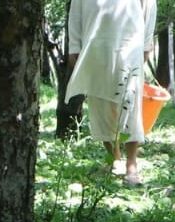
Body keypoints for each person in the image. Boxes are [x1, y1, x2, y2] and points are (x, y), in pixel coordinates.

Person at [65, 0, 157, 187]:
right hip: (94, 45)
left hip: (129, 43)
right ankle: (114, 158)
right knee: (99, 102)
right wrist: (74, 46)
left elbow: (149, 5)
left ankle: (132, 166)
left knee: (129, 103)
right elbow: (76, 10)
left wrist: (147, 43)